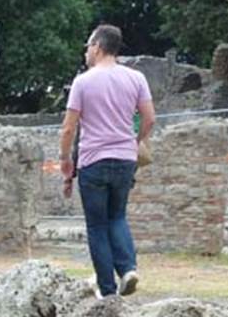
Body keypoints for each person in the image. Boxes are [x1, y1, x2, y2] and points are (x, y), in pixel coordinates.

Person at [59, 24, 156, 298]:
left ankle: (108, 289)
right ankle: (128, 269)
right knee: (117, 216)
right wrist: (135, 142)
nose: (86, 52)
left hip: (93, 161)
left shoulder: (83, 82)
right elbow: (150, 118)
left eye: (88, 46)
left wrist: (65, 160)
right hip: (125, 159)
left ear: (98, 47)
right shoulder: (136, 78)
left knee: (97, 226)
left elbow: (68, 128)